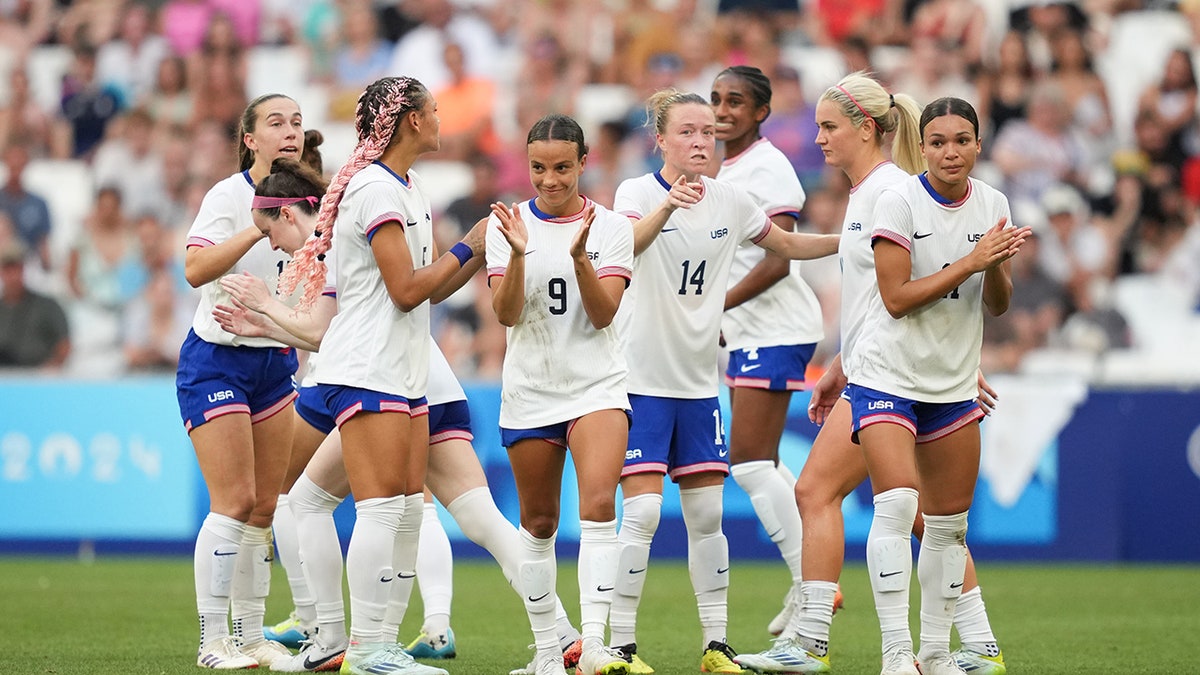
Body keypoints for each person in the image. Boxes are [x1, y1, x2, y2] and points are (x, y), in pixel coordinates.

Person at [217, 158, 584, 674]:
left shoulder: (344, 239)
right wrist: (266, 325)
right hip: (429, 377)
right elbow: (337, 327)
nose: (271, 245)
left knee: (320, 503)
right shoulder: (363, 223)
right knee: (472, 517)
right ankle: (561, 632)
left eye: (268, 229)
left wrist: (266, 309)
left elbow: (337, 330)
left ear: (294, 213)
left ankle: (336, 638)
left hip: (386, 381)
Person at [734, 73, 1008, 675]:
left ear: (866, 127)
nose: (820, 138)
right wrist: (838, 364)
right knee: (912, 514)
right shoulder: (869, 193)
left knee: (828, 494)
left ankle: (814, 642)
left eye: (830, 126)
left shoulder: (889, 191)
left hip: (895, 378)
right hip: (876, 368)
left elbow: (919, 288)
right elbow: (868, 300)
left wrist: (958, 361)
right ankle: (977, 642)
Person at [607, 88, 839, 675]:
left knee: (707, 518)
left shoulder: (732, 200)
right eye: (687, 131)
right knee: (641, 517)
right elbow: (624, 247)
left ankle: (716, 645)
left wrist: (854, 238)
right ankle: (623, 647)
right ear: (660, 139)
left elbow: (784, 246)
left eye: (708, 131)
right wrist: (668, 208)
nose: (701, 141)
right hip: (641, 383)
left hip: (696, 386)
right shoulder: (636, 194)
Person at [277, 75, 484, 675]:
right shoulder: (376, 190)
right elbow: (406, 290)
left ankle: (334, 642)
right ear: (413, 120)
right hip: (371, 369)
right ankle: (368, 649)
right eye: (436, 110)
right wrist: (471, 246)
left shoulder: (404, 186)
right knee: (384, 508)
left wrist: (474, 255)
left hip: (394, 368)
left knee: (321, 501)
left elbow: (427, 290)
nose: (442, 119)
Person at [848, 97, 1028, 675]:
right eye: (939, 141)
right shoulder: (897, 200)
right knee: (898, 504)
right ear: (922, 147)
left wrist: (997, 265)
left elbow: (996, 306)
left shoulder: (994, 202)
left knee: (950, 527)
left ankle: (934, 652)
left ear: (978, 144)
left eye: (962, 140)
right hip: (887, 373)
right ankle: (896, 654)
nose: (951, 151)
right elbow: (896, 300)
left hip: (951, 382)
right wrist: (974, 261)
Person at [486, 112, 633, 675]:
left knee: (598, 508)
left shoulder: (610, 227)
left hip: (596, 386)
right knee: (539, 523)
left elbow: (603, 315)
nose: (550, 180)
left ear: (583, 163)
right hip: (530, 389)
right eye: (539, 168)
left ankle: (594, 642)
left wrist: (578, 259)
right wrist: (520, 254)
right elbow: (505, 314)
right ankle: (549, 649)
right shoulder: (508, 225)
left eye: (562, 168)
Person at [176, 93, 308, 670]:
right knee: (233, 500)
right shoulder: (229, 197)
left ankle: (251, 638)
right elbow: (194, 269)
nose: (290, 132)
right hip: (217, 360)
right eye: (276, 123)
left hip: (274, 361)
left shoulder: (314, 200)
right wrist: (259, 227)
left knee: (265, 507)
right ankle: (212, 643)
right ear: (250, 139)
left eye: (297, 123)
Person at [709, 64, 825, 637]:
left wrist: (714, 306)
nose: (722, 110)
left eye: (736, 101)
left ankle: (813, 586)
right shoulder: (711, 169)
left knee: (751, 462)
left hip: (775, 326)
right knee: (763, 462)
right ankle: (808, 582)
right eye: (715, 100)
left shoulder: (768, 166)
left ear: (761, 113)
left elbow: (780, 259)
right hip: (746, 331)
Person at [0, 240, 69, 369]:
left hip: (37, 377)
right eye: (8, 269)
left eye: (17, 269)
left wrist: (50, 369)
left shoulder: (47, 306)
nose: (13, 276)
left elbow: (64, 345)